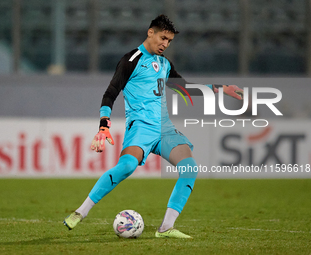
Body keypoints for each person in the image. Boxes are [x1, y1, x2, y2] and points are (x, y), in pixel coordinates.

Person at [64, 14, 243, 238]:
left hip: (164, 129)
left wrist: (221, 88)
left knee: (189, 168)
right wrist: (103, 126)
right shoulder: (132, 60)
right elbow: (110, 93)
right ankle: (81, 212)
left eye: (169, 41)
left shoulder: (165, 64)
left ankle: (166, 228)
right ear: (151, 32)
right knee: (127, 166)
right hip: (140, 127)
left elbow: (185, 89)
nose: (165, 44)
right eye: (163, 38)